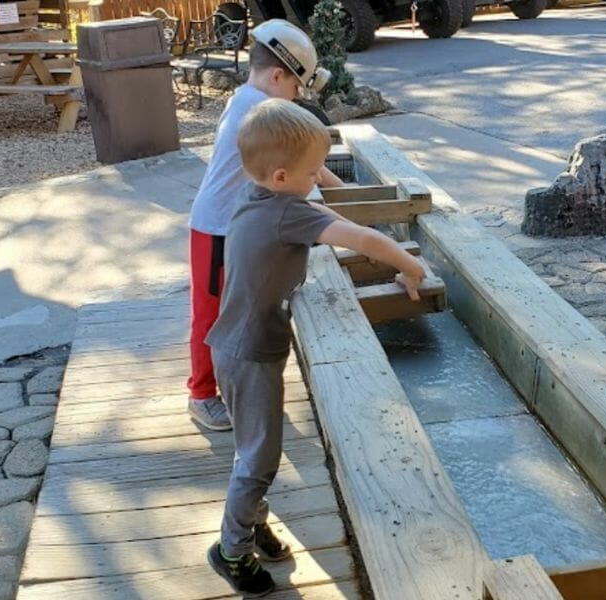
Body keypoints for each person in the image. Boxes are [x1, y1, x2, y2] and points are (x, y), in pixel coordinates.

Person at [205, 99, 426, 597]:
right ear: (283, 177)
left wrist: (321, 176)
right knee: (259, 457)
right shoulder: (289, 212)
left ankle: (251, 522)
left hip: (234, 345)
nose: (318, 178)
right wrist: (410, 267)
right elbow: (361, 238)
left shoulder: (256, 192)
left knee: (253, 448)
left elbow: (319, 201)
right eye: (312, 172)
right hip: (251, 353)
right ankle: (231, 549)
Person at [187, 19, 343, 432]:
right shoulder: (256, 112)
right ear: (277, 76)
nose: (296, 97)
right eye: (296, 87)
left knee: (231, 307)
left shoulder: (249, 98)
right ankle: (202, 395)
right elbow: (291, 167)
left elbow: (308, 161)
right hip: (215, 228)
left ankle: (225, 385)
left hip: (233, 226)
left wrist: (340, 189)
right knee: (210, 313)